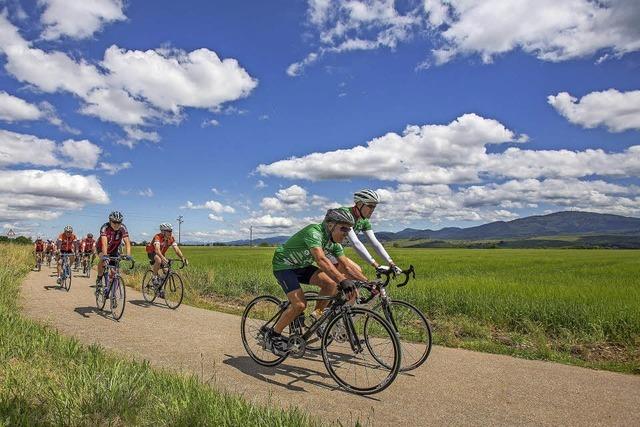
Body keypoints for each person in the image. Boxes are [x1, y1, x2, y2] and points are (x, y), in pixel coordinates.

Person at [266, 208, 367, 355]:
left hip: (301, 266)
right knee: (300, 304)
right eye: (343, 228)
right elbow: (321, 260)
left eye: (349, 229)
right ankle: (273, 335)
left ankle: (316, 316)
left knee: (330, 284)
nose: (347, 233)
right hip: (284, 266)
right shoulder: (314, 232)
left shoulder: (333, 243)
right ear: (331, 225)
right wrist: (342, 279)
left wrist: (367, 282)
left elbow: (346, 265)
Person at [342, 189, 401, 275]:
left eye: (374, 207)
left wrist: (391, 264)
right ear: (359, 204)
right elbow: (355, 243)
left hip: (335, 253)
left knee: (355, 274)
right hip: (323, 250)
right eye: (370, 206)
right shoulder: (345, 214)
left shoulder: (364, 221)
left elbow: (375, 243)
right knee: (353, 274)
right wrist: (377, 265)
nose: (372, 210)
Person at [145, 223, 188, 296]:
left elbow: (176, 249)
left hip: (161, 254)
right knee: (158, 260)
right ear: (163, 232)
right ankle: (154, 277)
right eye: (168, 231)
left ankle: (159, 288)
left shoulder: (171, 238)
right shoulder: (157, 237)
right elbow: (157, 250)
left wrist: (183, 258)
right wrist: (163, 258)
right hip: (152, 252)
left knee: (167, 272)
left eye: (171, 231)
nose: (170, 232)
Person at [95, 211, 132, 289]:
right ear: (110, 221)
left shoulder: (123, 228)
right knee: (102, 260)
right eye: (114, 222)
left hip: (114, 249)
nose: (116, 224)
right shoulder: (105, 227)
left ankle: (112, 287)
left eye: (119, 222)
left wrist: (128, 255)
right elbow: (104, 243)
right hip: (101, 247)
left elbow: (127, 243)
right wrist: (105, 256)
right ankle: (99, 278)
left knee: (114, 270)